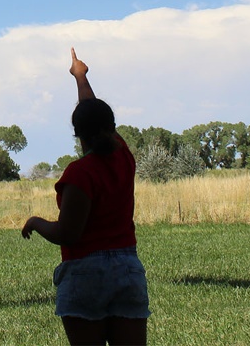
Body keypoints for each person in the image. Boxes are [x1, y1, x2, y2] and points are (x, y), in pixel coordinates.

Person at [22, 49, 150, 346]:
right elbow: (93, 112)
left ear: (77, 133)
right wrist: (81, 76)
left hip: (85, 273)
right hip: (127, 270)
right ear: (113, 127)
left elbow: (68, 233)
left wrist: (36, 221)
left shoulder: (80, 173)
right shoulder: (124, 158)